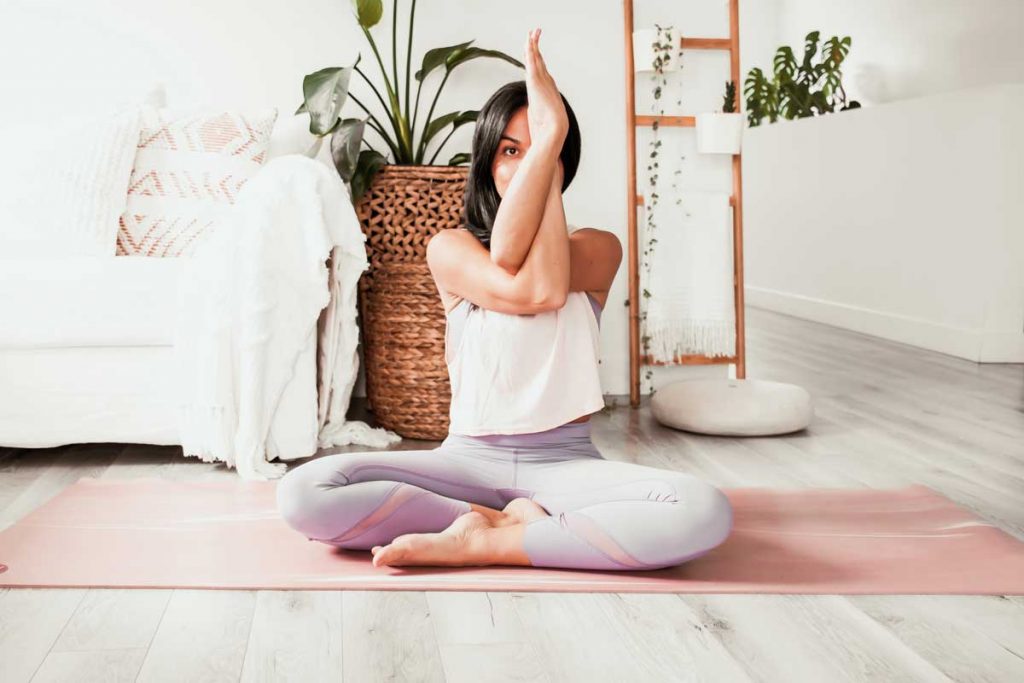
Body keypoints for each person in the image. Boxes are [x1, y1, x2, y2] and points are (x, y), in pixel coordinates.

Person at [276, 28, 733, 571]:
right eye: (510, 151)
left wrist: (548, 145)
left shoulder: (597, 248)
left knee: (704, 510)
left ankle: (485, 539)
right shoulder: (450, 249)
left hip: (566, 466)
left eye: (540, 150)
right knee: (303, 494)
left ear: (563, 162)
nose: (523, 164)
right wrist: (549, 139)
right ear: (488, 163)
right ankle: (493, 517)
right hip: (466, 464)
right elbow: (527, 287)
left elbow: (541, 284)